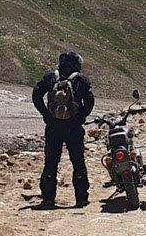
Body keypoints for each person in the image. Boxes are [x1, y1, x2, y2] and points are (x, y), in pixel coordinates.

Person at [32, 51, 94, 208]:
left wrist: (46, 114)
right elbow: (90, 101)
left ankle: (48, 199)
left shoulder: (50, 78)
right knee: (78, 162)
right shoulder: (80, 80)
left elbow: (36, 94)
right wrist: (80, 117)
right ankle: (81, 198)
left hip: (53, 127)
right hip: (74, 127)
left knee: (51, 163)